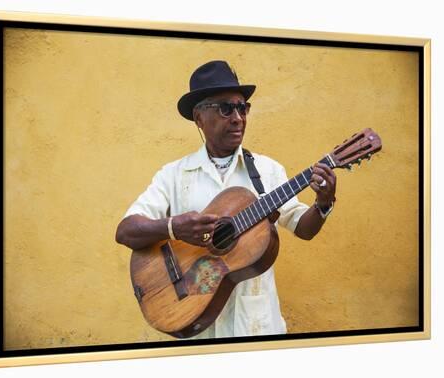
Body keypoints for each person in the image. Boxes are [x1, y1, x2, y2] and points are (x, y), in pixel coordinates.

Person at [115, 60, 336, 338]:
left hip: (257, 329)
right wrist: (173, 227)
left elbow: (303, 228)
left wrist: (324, 203)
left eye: (243, 108)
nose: (238, 118)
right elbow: (126, 231)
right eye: (225, 108)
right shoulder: (173, 175)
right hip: (197, 335)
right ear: (199, 118)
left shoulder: (268, 171)